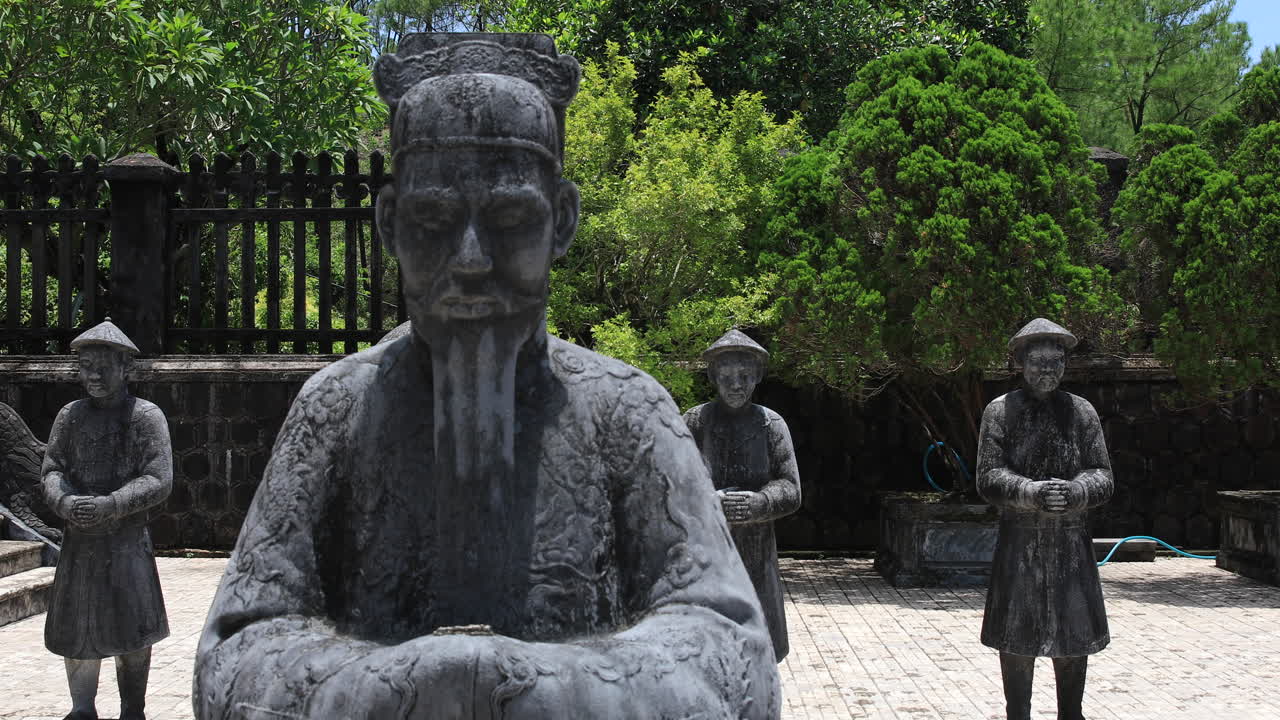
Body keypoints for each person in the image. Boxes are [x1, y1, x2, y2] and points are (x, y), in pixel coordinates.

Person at [193, 33, 779, 720]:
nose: (470, 259)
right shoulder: (337, 409)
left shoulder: (628, 412)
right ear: (388, 222)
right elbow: (237, 649)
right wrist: (410, 683)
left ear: (560, 220)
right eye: (434, 220)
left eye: (507, 219)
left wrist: (530, 687)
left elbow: (732, 648)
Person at [977, 318, 1113, 720]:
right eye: (1038, 362)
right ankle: (1017, 713)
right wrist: (1029, 492)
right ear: (1021, 363)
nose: (1047, 371)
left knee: (1073, 638)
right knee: (1017, 638)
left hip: (1072, 541)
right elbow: (987, 476)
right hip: (1019, 541)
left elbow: (1103, 474)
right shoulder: (999, 412)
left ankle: (1072, 714)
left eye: (1056, 363)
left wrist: (1077, 491)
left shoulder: (1082, 412)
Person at [42, 318, 172, 720]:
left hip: (126, 539)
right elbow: (51, 469)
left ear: (125, 368)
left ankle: (133, 707)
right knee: (76, 629)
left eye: (102, 366)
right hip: (79, 541)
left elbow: (159, 477)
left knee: (132, 627)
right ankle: (82, 707)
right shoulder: (70, 415)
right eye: (85, 366)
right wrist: (64, 502)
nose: (93, 375)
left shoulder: (145, 417)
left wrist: (113, 503)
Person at [683, 329, 801, 662]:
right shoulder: (695, 422)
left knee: (759, 647)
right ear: (713, 377)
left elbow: (791, 487)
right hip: (707, 553)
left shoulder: (771, 425)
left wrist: (760, 503)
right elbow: (670, 483)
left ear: (757, 378)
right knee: (706, 648)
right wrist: (709, 502)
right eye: (728, 376)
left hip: (757, 551)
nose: (736, 385)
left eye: (745, 376)